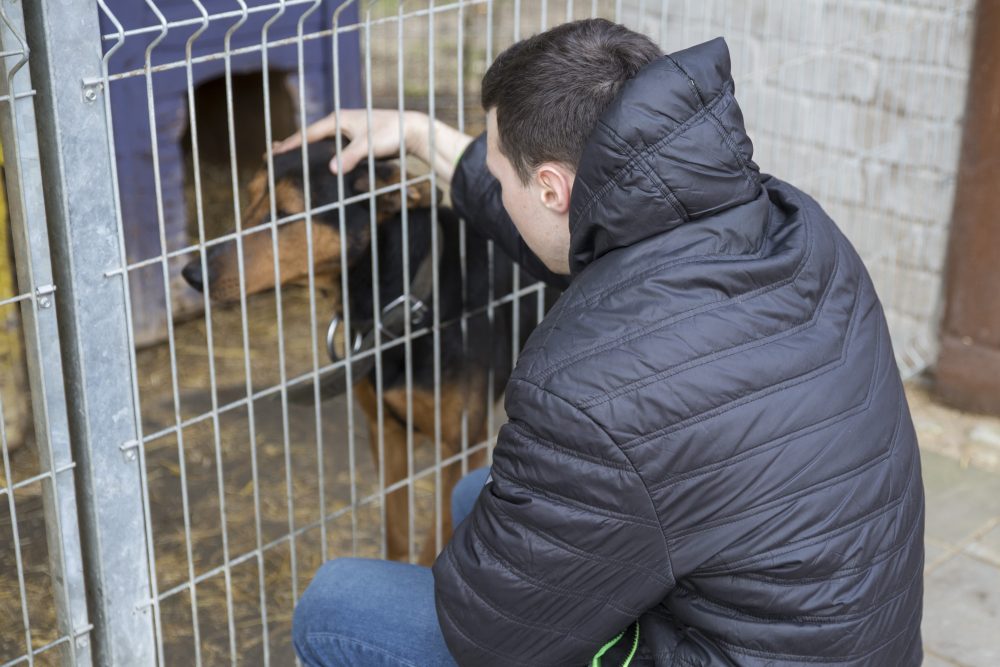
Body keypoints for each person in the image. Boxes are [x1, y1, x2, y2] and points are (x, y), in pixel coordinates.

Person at [280, 19, 924, 667]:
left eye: (503, 177)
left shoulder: (585, 387)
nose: (498, 191)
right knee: (474, 493)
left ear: (554, 188)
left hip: (718, 648)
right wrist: (421, 135)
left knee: (339, 603)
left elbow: (496, 635)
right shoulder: (794, 224)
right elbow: (577, 231)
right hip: (848, 633)